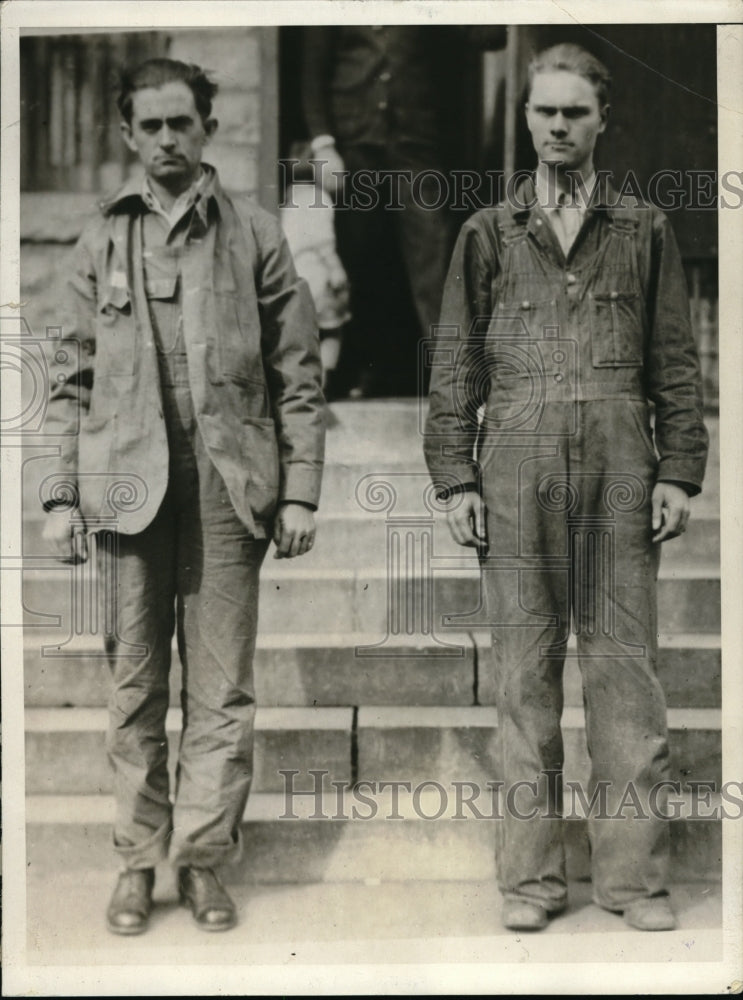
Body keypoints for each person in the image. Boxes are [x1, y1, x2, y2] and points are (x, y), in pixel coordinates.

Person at [424, 43, 708, 932]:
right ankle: (531, 882)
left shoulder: (643, 229)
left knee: (625, 682)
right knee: (523, 683)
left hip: (621, 468)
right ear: (526, 119)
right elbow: (455, 365)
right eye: (543, 111)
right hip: (514, 469)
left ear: (600, 121)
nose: (557, 126)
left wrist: (678, 470)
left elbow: (673, 360)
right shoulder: (487, 233)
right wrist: (455, 476)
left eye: (573, 112)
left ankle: (632, 881)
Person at [41, 58, 325, 935]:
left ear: (208, 128)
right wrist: (59, 497)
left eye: (183, 124)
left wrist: (300, 492)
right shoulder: (99, 241)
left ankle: (201, 861)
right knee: (133, 686)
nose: (168, 140)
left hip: (227, 491)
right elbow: (66, 380)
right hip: (127, 489)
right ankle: (136, 860)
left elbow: (299, 377)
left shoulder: (255, 235)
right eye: (151, 127)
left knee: (222, 689)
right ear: (128, 136)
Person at [301, 26, 504, 398]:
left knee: (433, 254)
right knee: (359, 258)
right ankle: (357, 368)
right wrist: (323, 143)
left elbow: (485, 34)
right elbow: (312, 71)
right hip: (354, 143)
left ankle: (454, 379)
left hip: (416, 144)